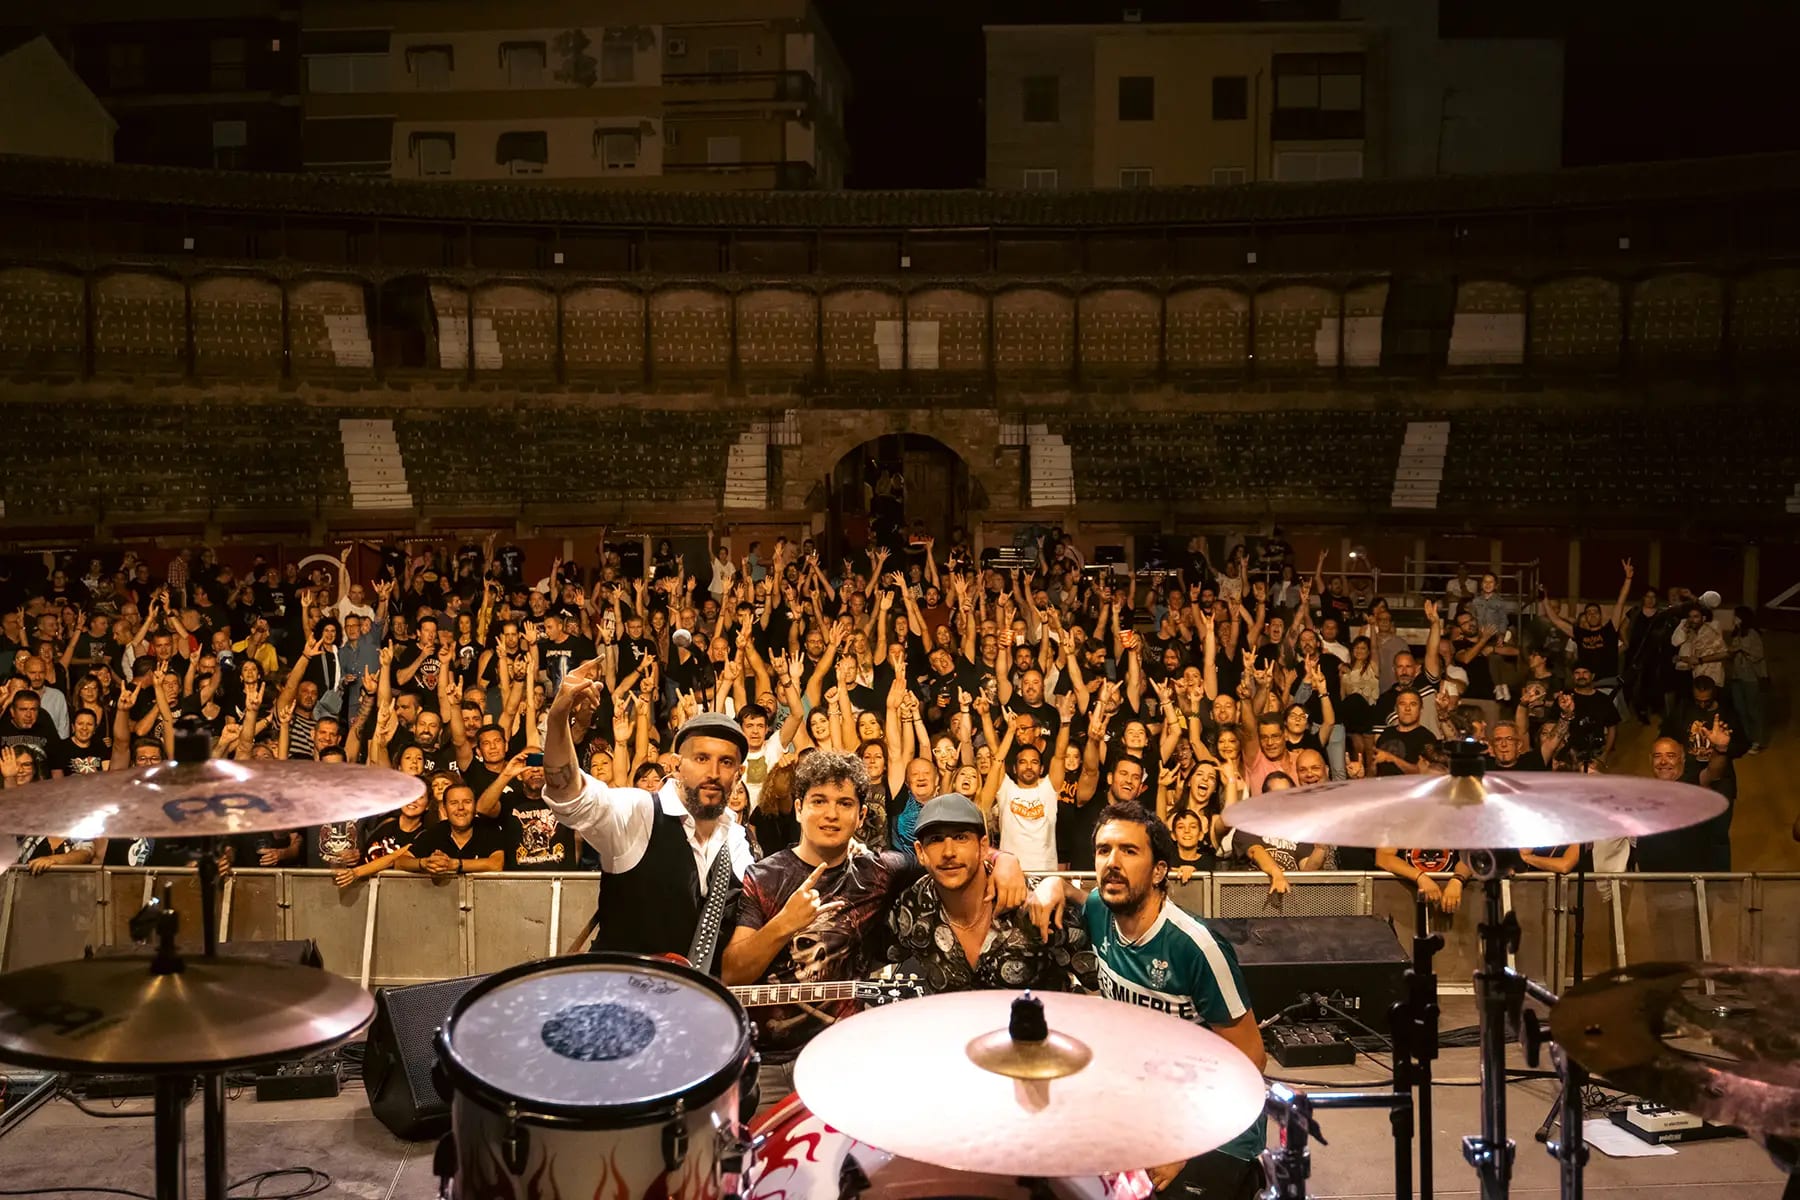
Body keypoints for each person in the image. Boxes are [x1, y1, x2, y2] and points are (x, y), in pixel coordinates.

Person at [724, 752, 1027, 1109]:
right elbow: (732, 974)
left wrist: (1005, 860)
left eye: (845, 803)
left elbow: (945, 855)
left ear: (861, 815)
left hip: (841, 1055)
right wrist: (783, 924)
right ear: (798, 808)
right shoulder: (763, 876)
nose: (831, 814)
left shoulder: (878, 871)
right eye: (818, 801)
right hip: (767, 1064)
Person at [1036, 803, 1267, 1200]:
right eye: (1104, 850)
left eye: (1129, 851)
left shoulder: (1196, 947)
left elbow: (1251, 1058)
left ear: (1159, 870)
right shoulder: (1099, 911)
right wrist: (1052, 884)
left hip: (1214, 1129)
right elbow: (1077, 894)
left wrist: (1186, 1144)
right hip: (1147, 1106)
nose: (1112, 862)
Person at [544, 662, 756, 968]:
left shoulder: (736, 837)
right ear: (676, 764)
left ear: (739, 774)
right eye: (701, 758)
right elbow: (569, 794)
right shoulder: (640, 812)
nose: (713, 772)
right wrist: (558, 717)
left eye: (726, 762)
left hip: (691, 1007)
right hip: (617, 1001)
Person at [886, 793, 1095, 994]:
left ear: (983, 846)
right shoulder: (912, 907)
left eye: (961, 837)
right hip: (960, 1029)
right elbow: (869, 955)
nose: (949, 852)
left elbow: (1101, 979)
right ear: (921, 852)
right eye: (936, 839)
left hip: (1040, 1028)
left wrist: (1062, 885)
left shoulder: (1036, 902)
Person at [393, 783, 506, 876]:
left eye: (467, 802)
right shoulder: (434, 832)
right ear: (444, 808)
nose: (460, 808)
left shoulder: (489, 829)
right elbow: (400, 862)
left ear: (475, 806)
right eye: (453, 803)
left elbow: (496, 864)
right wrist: (424, 863)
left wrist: (456, 865)